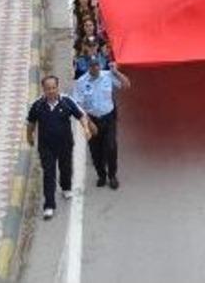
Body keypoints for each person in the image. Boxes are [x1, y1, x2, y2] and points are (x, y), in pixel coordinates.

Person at [26, 75, 95, 220]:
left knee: (65, 167)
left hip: (65, 143)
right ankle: (49, 205)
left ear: (58, 87)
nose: (51, 91)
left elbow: (81, 116)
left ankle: (66, 187)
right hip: (46, 147)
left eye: (53, 88)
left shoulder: (67, 101)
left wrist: (86, 129)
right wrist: (29, 136)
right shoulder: (37, 105)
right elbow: (31, 122)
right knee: (49, 174)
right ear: (43, 89)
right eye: (48, 89)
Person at [72, 53, 131, 189]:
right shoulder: (81, 82)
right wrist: (89, 123)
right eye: (92, 66)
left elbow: (126, 85)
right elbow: (77, 105)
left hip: (108, 118)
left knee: (111, 147)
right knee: (95, 151)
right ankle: (101, 175)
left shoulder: (108, 76)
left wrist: (116, 72)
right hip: (92, 120)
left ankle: (112, 176)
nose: (96, 68)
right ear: (88, 67)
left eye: (97, 65)